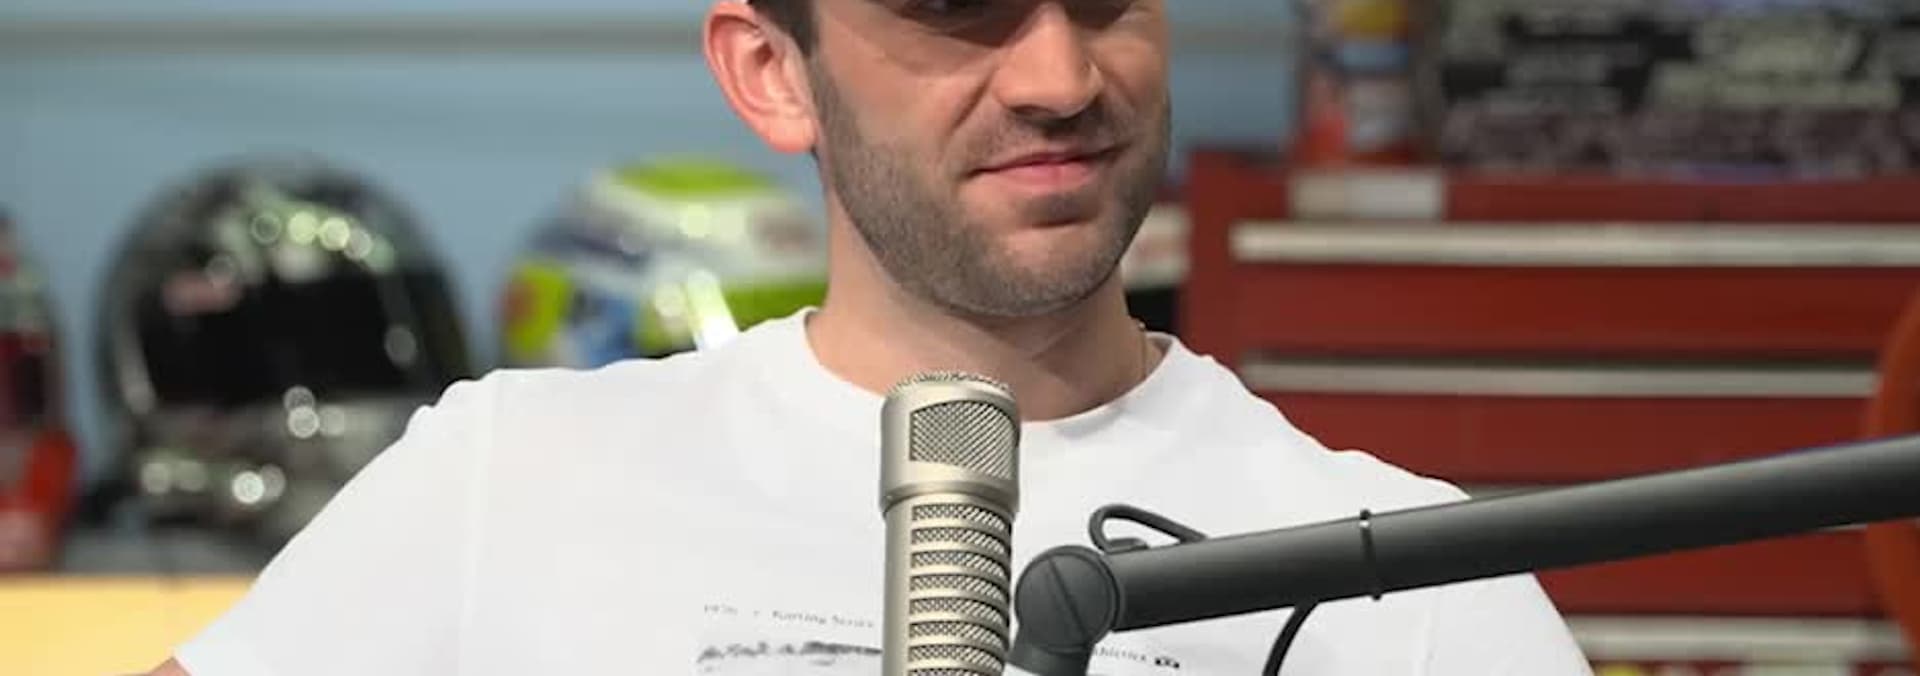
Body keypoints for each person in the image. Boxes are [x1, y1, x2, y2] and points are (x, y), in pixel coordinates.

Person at [150, 0, 1592, 673]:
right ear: (773, 73)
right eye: (957, 9)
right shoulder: (505, 481)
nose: (1058, 73)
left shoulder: (1419, 585)